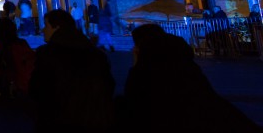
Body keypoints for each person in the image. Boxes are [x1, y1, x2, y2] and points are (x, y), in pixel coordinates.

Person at [116, 23, 260, 133]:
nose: (133, 50)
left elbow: (134, 104)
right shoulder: (190, 72)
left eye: (136, 47)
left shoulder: (145, 78)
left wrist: (136, 65)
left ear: (142, 49)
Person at [29, 9, 115, 132]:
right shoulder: (96, 54)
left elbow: (37, 89)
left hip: (59, 121)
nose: (43, 30)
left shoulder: (49, 54)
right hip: (94, 120)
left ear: (57, 27)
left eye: (46, 25)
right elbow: (108, 85)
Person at [0, 18, 36, 98]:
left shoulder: (1, 45)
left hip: (11, 80)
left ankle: (3, 90)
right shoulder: (22, 42)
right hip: (26, 79)